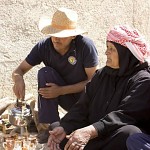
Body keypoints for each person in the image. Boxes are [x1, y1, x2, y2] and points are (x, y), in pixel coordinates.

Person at [47, 25, 150, 150]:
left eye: (112, 49)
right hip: (94, 136)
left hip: (113, 138)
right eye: (107, 47)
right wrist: (65, 127)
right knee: (59, 132)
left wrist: (91, 130)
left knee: (130, 133)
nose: (106, 52)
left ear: (125, 53)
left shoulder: (143, 80)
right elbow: (83, 106)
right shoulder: (102, 75)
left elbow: (125, 115)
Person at [12, 7, 99, 143]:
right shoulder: (44, 46)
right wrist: (18, 79)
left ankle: (77, 124)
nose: (56, 39)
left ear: (73, 35)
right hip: (64, 98)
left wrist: (60, 90)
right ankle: (51, 128)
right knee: (44, 73)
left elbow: (93, 82)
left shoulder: (85, 46)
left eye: (62, 35)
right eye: (54, 33)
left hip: (86, 100)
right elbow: (18, 70)